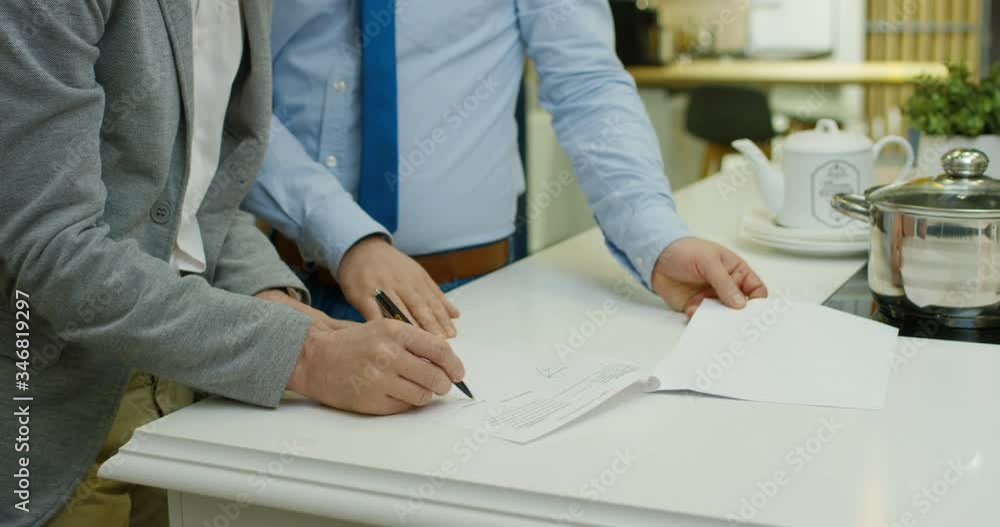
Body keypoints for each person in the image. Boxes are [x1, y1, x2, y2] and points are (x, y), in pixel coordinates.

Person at [0, 2, 463, 526]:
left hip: (185, 386)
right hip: (52, 410)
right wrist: (309, 355)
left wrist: (281, 308)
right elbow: (54, 252)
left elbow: (196, 203)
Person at [246, 0, 768, 339]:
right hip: (278, 288)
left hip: (469, 299)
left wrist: (657, 238)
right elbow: (228, 97)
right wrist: (347, 237)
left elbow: (586, 85)